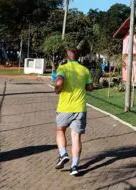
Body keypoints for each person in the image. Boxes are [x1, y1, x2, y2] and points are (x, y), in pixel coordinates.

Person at [54, 48, 93, 176]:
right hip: (80, 108)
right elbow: (90, 88)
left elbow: (59, 81)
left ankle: (63, 154)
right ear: (78, 57)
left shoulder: (63, 68)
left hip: (65, 107)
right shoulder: (85, 70)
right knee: (76, 137)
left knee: (60, 130)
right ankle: (74, 166)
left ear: (67, 57)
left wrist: (57, 89)